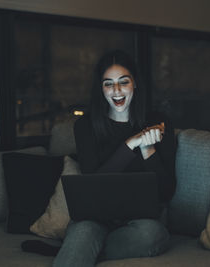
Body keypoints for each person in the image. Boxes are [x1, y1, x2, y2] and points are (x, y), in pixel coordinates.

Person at [52, 50, 176, 267]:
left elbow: (166, 191)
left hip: (142, 222)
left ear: (135, 84)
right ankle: (82, 246)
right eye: (108, 83)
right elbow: (93, 182)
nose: (116, 91)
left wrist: (147, 149)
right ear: (101, 89)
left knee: (152, 235)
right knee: (84, 231)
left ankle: (83, 250)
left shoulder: (158, 122)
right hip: (95, 220)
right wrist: (131, 144)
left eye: (123, 82)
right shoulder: (85, 126)